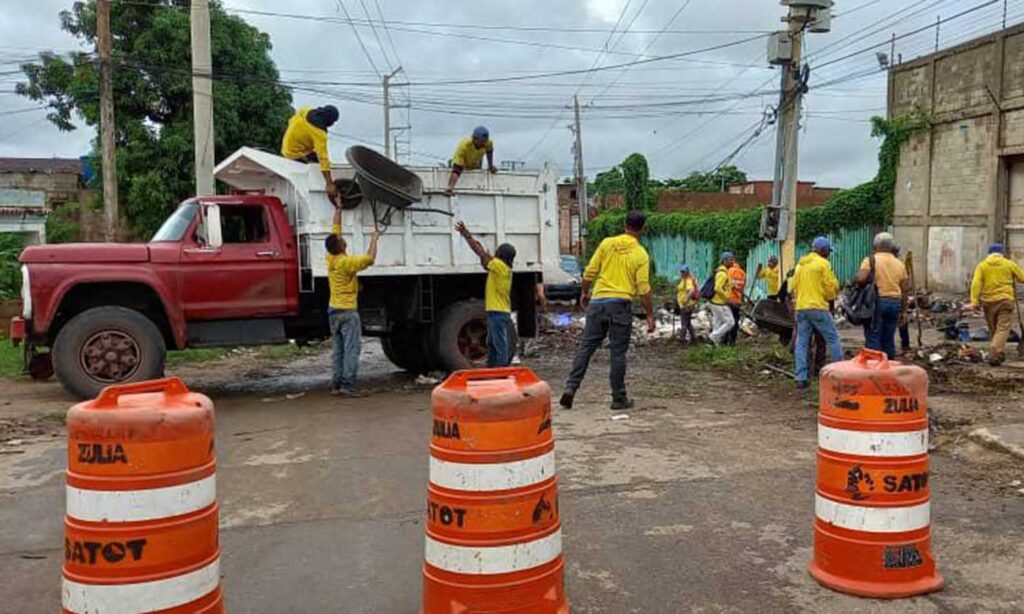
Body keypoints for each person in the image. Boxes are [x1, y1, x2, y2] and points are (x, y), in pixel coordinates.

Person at [560, 210, 654, 411]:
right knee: (617, 353)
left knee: (586, 347)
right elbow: (643, 288)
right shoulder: (641, 254)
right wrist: (649, 315)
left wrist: (585, 293)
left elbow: (589, 272)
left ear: (624, 224)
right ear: (642, 229)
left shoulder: (607, 244)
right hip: (620, 305)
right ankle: (618, 398)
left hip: (598, 302)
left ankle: (570, 388)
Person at [325, 203, 379, 396]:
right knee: (351, 349)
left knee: (338, 349)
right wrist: (374, 238)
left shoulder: (331, 259)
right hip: (348, 311)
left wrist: (339, 209)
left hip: (333, 310)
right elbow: (370, 259)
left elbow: (335, 229)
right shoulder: (347, 262)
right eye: (342, 239)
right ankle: (348, 386)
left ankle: (336, 384)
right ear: (341, 246)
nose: (343, 238)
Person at [454, 221, 517, 367]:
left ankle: (501, 370)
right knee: (492, 343)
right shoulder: (502, 268)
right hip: (497, 312)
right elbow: (484, 256)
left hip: (498, 312)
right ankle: (492, 368)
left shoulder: (500, 267)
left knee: (498, 344)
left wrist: (466, 235)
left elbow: (480, 253)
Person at [791, 237, 843, 388]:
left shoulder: (800, 265)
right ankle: (839, 374)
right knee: (833, 338)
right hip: (817, 307)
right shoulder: (823, 264)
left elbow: (793, 286)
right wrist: (833, 292)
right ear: (823, 250)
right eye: (828, 252)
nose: (829, 255)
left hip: (801, 308)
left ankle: (800, 377)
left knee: (802, 342)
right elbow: (830, 288)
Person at [967, 243, 1024, 365]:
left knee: (994, 329)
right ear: (1002, 253)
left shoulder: (982, 266)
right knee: (1002, 329)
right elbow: (1022, 278)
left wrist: (974, 302)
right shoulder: (1009, 264)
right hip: (1005, 300)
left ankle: (997, 352)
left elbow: (976, 284)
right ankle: (995, 352)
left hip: (988, 302)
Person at [855, 232, 908, 360]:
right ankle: (888, 367)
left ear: (876, 245)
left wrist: (857, 280)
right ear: (891, 247)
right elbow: (905, 290)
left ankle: (874, 371)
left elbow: (861, 279)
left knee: (873, 336)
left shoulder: (870, 260)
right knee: (888, 338)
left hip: (876, 303)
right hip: (894, 303)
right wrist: (903, 311)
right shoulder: (899, 264)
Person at [281, 105, 341, 205]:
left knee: (319, 158)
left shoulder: (305, 110)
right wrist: (329, 184)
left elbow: (290, 120)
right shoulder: (319, 133)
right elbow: (323, 159)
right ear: (329, 120)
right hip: (294, 155)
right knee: (321, 165)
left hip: (286, 146)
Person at [445, 126, 496, 196]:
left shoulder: (488, 143)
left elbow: (489, 153)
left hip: (475, 164)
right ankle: (450, 187)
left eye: (485, 141)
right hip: (463, 162)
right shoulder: (464, 145)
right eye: (481, 142)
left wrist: (490, 166)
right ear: (475, 139)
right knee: (458, 169)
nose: (483, 144)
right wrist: (450, 188)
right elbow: (456, 169)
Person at [708, 253, 735, 346]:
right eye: (730, 259)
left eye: (733, 259)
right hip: (719, 302)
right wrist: (727, 298)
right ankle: (713, 337)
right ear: (724, 261)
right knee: (730, 322)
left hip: (716, 302)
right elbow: (717, 288)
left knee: (718, 323)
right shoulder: (722, 274)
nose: (733, 261)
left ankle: (714, 345)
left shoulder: (722, 272)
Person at [725, 258, 747, 345]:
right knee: (735, 320)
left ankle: (725, 340)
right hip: (737, 301)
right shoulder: (743, 273)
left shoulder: (728, 271)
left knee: (727, 321)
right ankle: (733, 341)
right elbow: (742, 287)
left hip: (729, 300)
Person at [676, 265, 698, 343]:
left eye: (683, 272)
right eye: (681, 271)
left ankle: (682, 338)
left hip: (686, 305)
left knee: (684, 322)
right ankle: (694, 338)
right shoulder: (684, 279)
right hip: (685, 304)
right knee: (687, 322)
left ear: (687, 272)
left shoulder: (688, 280)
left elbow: (691, 290)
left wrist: (685, 299)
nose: (682, 273)